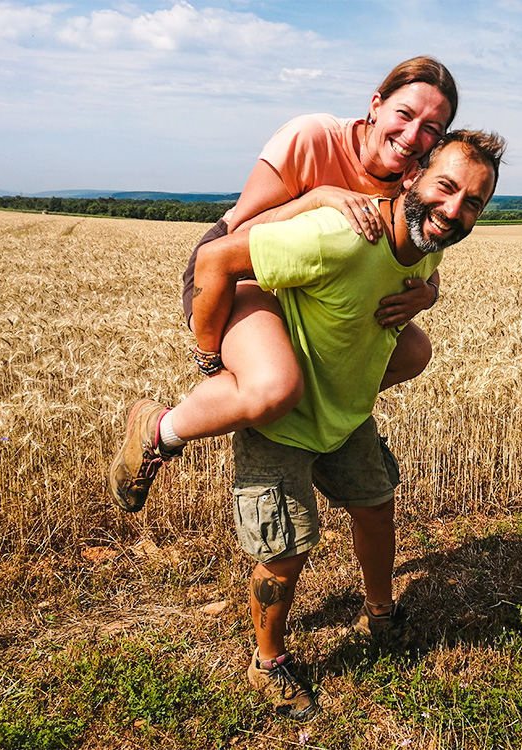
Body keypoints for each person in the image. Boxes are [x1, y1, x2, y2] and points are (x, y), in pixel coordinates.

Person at [184, 130, 502, 720]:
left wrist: (426, 296)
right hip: (282, 421)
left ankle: (381, 614)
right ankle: (268, 663)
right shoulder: (339, 237)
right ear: (411, 177)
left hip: (348, 418)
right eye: (446, 187)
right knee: (284, 549)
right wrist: (210, 362)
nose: (454, 210)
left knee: (377, 506)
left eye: (474, 203)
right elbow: (215, 259)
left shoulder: (428, 243)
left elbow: (420, 272)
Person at [107, 57, 459, 514]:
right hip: (241, 275)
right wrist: (316, 199)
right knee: (274, 386)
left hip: (310, 295)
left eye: (432, 128)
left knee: (413, 351)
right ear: (376, 104)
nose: (413, 137)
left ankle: (313, 426)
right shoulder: (312, 136)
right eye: (405, 115)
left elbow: (421, 263)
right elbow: (234, 239)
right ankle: (159, 429)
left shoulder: (417, 182)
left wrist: (429, 293)